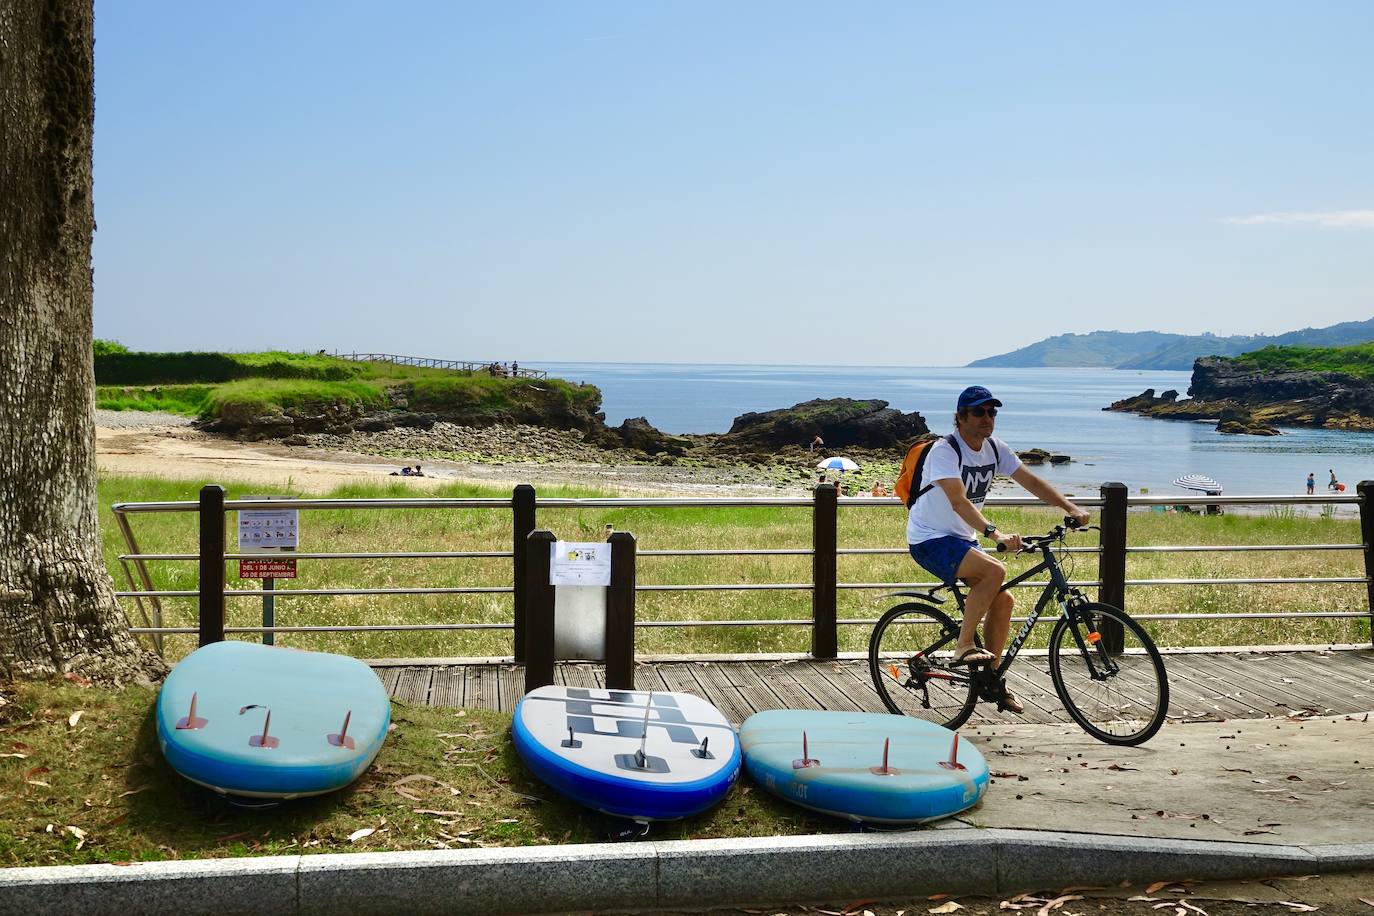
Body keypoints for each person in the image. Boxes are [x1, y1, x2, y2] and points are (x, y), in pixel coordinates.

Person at [906, 386, 1090, 716]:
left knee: (1003, 599)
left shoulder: (994, 448)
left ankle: (991, 680)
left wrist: (1070, 507)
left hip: (961, 538)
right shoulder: (944, 451)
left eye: (992, 412)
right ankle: (963, 646)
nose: (987, 419)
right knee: (995, 571)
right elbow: (958, 501)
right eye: (978, 412)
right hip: (929, 538)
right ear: (960, 417)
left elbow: (1031, 481)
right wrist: (995, 532)